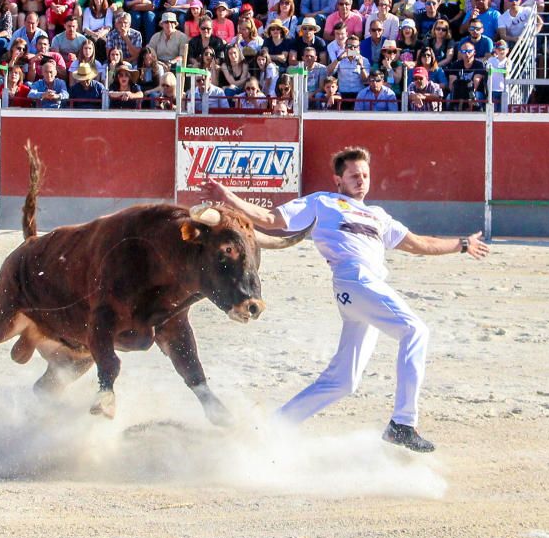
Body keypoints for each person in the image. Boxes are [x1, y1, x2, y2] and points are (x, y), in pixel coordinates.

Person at [200, 146, 490, 452]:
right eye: (353, 175)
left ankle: (272, 428)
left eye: (365, 174)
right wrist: (229, 196)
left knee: (344, 380)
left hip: (366, 288)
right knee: (415, 330)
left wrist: (461, 244)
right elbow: (271, 218)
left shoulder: (379, 216)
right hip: (355, 278)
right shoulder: (323, 202)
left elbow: (419, 244)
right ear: (338, 179)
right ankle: (403, 423)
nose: (361, 180)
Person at [446, 42, 487, 110]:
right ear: (461, 53)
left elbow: (476, 82)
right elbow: (451, 85)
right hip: (458, 92)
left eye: (469, 51)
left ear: (474, 52)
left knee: (477, 95)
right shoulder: (455, 65)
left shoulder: (479, 65)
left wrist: (469, 96)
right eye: (464, 51)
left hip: (473, 92)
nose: (467, 54)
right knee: (449, 97)